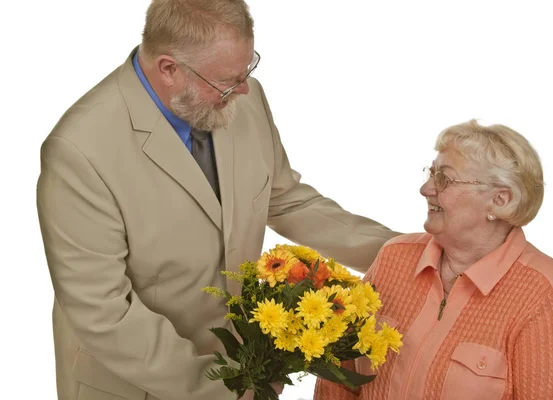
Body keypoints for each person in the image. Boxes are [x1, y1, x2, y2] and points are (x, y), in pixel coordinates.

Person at [35, 1, 399, 399]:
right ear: (169, 68)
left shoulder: (244, 97)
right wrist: (225, 388)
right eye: (228, 80)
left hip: (241, 373)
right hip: (134, 387)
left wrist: (410, 255)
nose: (243, 88)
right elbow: (104, 312)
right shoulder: (79, 149)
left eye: (248, 70)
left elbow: (288, 201)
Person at [314, 119, 553, 399]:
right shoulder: (393, 257)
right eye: (431, 173)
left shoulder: (545, 292)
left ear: (500, 200)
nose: (426, 189)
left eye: (444, 178)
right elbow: (339, 379)